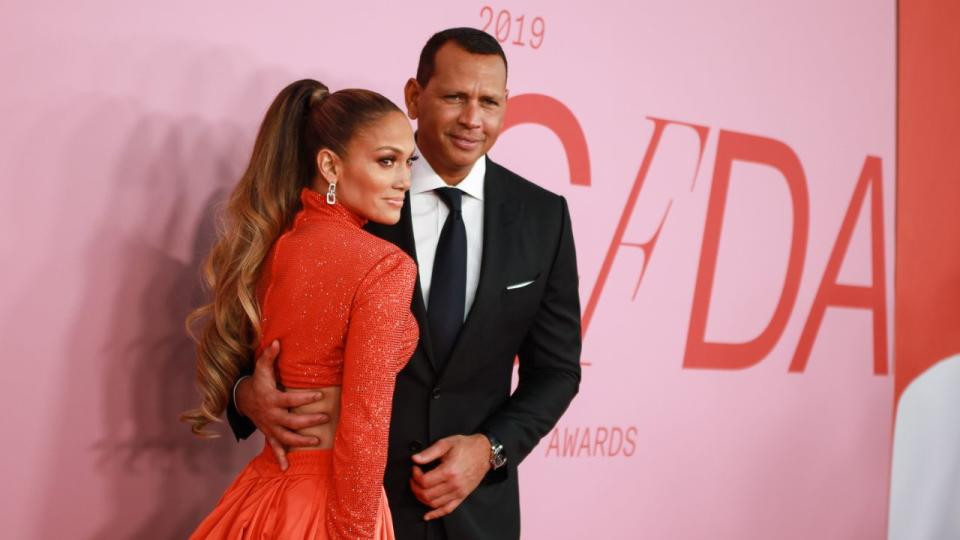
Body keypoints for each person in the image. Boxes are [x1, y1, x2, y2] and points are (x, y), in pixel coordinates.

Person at [231, 28, 582, 540]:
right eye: (456, 97)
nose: (472, 119)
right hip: (345, 507)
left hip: (475, 515)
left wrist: (490, 450)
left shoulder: (543, 217)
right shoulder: (346, 204)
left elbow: (556, 371)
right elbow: (249, 330)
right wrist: (246, 395)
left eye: (489, 101)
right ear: (415, 97)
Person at [182, 79, 420, 539]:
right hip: (333, 504)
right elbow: (365, 424)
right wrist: (353, 532)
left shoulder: (274, 248)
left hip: (264, 492)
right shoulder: (385, 265)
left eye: (408, 163)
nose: (405, 180)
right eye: (386, 161)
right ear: (329, 164)